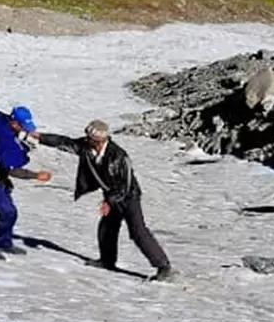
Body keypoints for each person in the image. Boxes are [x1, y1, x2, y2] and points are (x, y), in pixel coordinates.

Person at [30, 119, 175, 282]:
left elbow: (125, 186)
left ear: (98, 141)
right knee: (107, 227)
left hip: (129, 197)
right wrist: (41, 137)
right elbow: (65, 142)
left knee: (138, 232)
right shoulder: (86, 147)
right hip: (111, 195)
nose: (85, 139)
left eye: (89, 138)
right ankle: (107, 261)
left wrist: (109, 202)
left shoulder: (119, 156)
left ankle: (163, 267)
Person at [0, 105, 51, 260]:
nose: (25, 130)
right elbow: (12, 168)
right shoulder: (1, 139)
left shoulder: (4, 129)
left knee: (9, 212)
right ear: (14, 123)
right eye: (23, 127)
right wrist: (36, 175)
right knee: (8, 213)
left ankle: (5, 242)